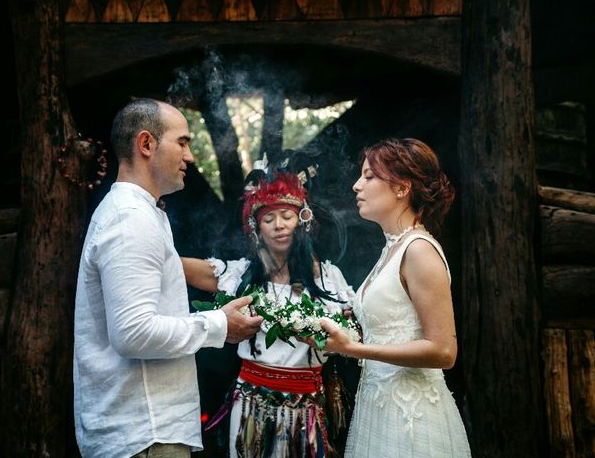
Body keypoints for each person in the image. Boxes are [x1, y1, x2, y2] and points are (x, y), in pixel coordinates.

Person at [73, 98, 263, 458]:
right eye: (183, 142)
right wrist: (219, 325)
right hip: (144, 434)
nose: (190, 157)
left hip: (148, 429)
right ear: (146, 144)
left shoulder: (144, 214)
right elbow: (133, 334)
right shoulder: (131, 219)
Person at [181, 160, 356, 458]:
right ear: (256, 229)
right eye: (268, 219)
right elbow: (177, 266)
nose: (279, 225)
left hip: (304, 409)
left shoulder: (327, 278)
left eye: (287, 216)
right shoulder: (240, 275)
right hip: (251, 406)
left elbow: (352, 335)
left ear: (302, 220)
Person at [309, 138, 471, 457]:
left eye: (369, 176)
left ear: (401, 188)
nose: (357, 186)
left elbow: (443, 350)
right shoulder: (392, 250)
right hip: (378, 407)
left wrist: (353, 349)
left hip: (412, 414)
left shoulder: (419, 250)